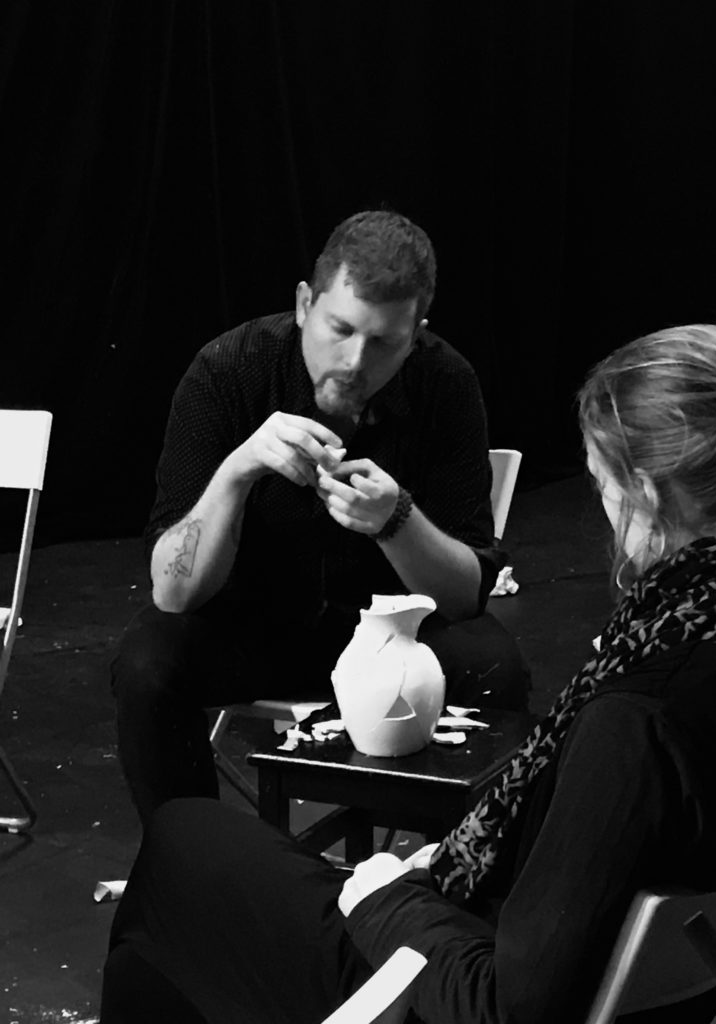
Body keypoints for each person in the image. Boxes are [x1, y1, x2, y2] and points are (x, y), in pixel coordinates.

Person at [102, 323, 716, 1023]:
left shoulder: (638, 721)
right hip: (575, 955)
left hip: (429, 983)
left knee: (180, 845)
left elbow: (504, 1008)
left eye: (600, 483)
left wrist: (386, 895)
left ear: (647, 497)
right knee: (167, 911)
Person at [111, 209, 530, 824]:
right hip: (254, 627)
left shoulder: (445, 383)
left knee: (497, 667)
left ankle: (460, 873)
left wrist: (396, 519)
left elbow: (466, 597)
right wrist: (237, 471)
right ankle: (192, 871)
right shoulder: (229, 370)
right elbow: (174, 594)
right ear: (305, 304)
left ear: (416, 334)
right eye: (340, 328)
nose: (356, 360)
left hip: (395, 634)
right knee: (147, 663)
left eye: (384, 341)